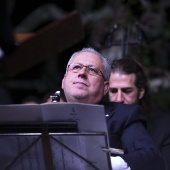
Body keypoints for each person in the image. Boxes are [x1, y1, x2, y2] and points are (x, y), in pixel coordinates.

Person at [61, 47, 166, 170]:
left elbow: (152, 159)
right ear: (64, 80)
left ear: (105, 88)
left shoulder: (124, 116)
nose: (82, 73)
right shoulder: (43, 116)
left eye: (92, 70)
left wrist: (104, 164)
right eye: (76, 67)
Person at [108, 58, 170, 169]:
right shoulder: (101, 118)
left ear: (141, 92)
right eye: (113, 91)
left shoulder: (164, 126)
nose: (118, 99)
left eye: (126, 91)